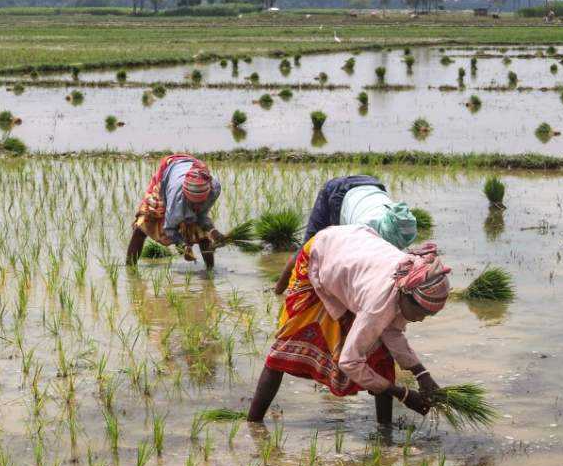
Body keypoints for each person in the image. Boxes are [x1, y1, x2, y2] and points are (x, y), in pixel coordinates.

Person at [247, 224, 450, 429]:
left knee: (381, 354)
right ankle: (253, 423)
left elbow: (392, 331)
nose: (422, 319)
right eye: (421, 313)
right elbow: (350, 362)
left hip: (352, 256)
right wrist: (403, 394)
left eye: (428, 315)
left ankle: (384, 431)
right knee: (286, 346)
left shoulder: (407, 280)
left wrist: (422, 374)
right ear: (406, 295)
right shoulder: (378, 304)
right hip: (321, 254)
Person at [273, 175, 419, 295]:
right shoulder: (363, 231)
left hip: (371, 185)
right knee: (308, 250)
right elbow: (343, 264)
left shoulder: (401, 225)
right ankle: (278, 292)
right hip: (338, 193)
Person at [125, 153, 224, 268]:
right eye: (193, 203)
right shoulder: (176, 198)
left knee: (201, 232)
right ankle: (130, 269)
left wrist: (213, 231)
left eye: (200, 203)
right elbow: (169, 229)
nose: (197, 206)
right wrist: (184, 247)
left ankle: (210, 272)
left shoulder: (213, 189)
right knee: (143, 225)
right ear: (186, 197)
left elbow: (201, 215)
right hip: (168, 174)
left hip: (190, 168)